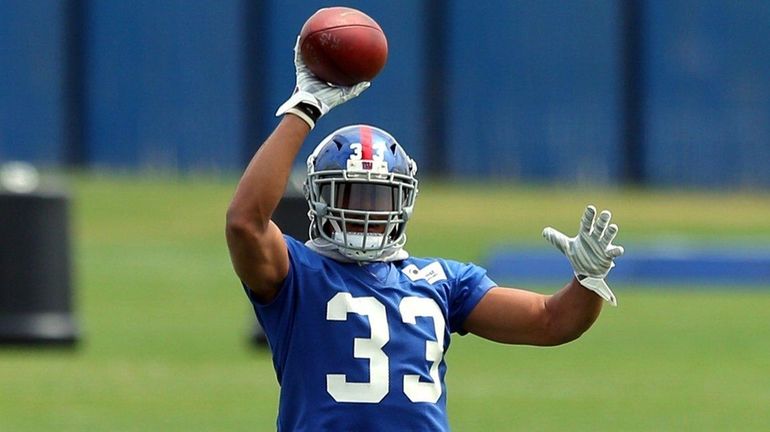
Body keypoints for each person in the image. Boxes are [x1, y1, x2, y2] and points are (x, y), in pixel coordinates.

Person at [225, 39, 625, 431]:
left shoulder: (443, 281)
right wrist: (303, 109)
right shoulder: (298, 274)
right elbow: (245, 222)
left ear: (403, 202)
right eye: (350, 194)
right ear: (317, 198)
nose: (364, 211)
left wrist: (587, 280)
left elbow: (551, 321)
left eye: (378, 198)